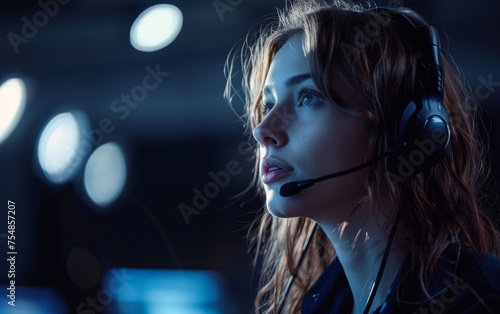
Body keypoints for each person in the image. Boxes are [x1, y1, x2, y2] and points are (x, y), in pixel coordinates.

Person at [224, 0, 500, 313]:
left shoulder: (478, 300)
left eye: (308, 97)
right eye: (268, 104)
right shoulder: (321, 303)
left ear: (406, 129)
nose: (263, 130)